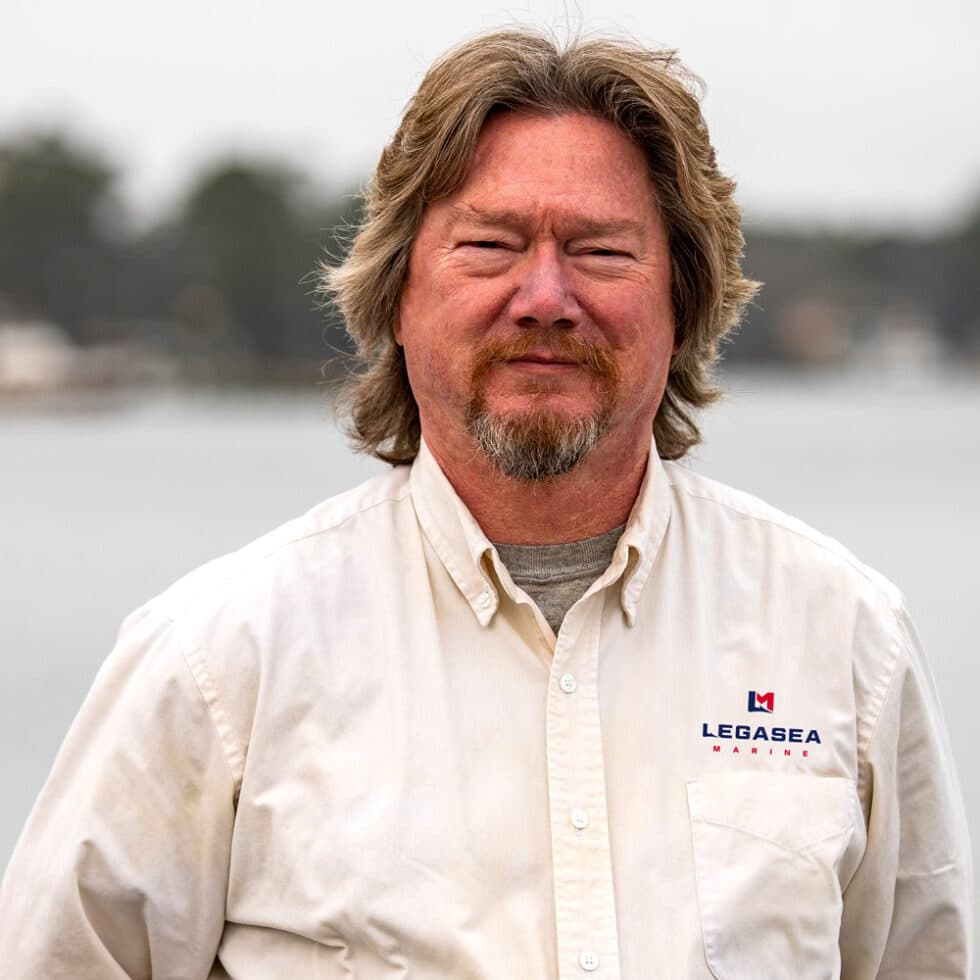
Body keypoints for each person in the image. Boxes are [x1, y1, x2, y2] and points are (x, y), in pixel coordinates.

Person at [0, 28, 972, 979]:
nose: (544, 296)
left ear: (681, 301)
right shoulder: (217, 659)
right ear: (396, 294)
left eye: (598, 250)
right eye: (490, 244)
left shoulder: (842, 636)